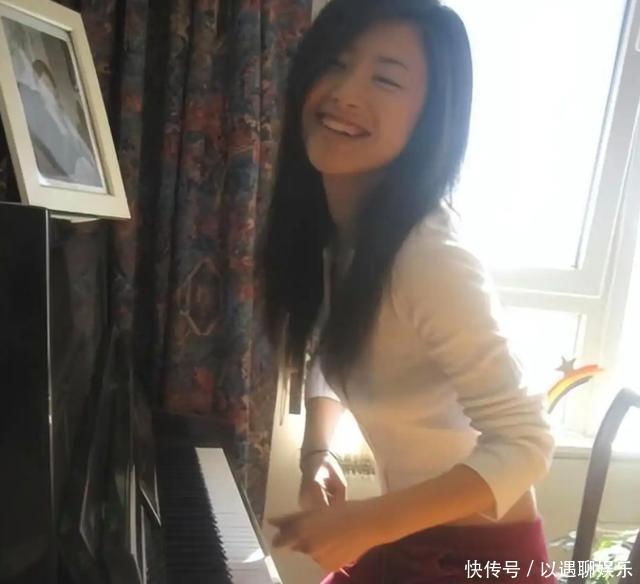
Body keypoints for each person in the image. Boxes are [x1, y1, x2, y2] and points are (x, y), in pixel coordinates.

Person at [258, 0, 557, 582]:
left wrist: (368, 523)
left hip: (478, 562)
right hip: (408, 540)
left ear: (430, 118)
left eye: (386, 79)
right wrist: (317, 452)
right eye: (336, 63)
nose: (345, 93)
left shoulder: (427, 258)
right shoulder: (344, 240)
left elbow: (527, 442)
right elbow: (336, 349)